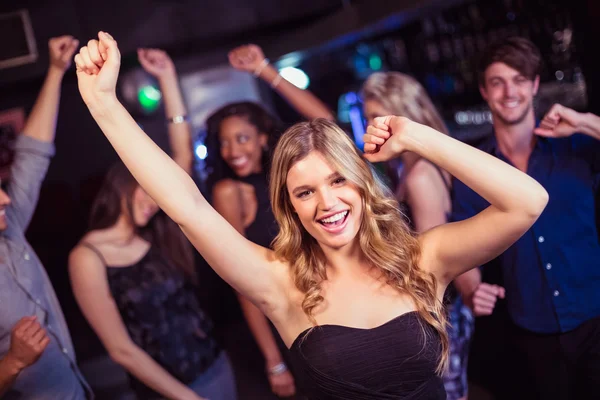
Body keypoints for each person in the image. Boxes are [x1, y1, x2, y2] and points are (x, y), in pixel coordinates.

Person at [73, 31, 548, 399]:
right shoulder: (280, 283)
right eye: (305, 192)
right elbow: (187, 205)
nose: (326, 204)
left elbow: (527, 202)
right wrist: (104, 105)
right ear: (290, 207)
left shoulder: (423, 259)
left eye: (338, 181)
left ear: (362, 185)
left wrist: (418, 136)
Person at [452, 36, 600, 399]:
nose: (509, 91)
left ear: (535, 85)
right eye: (498, 82)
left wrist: (582, 121)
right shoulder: (477, 171)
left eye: (519, 79)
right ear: (485, 91)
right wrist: (471, 289)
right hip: (531, 331)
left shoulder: (576, 148)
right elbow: (461, 242)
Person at [205, 43, 333, 398]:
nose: (232, 151)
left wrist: (264, 69)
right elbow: (243, 281)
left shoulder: (289, 178)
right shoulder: (230, 193)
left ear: (263, 139)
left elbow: (326, 125)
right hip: (290, 323)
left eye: (242, 138)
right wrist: (274, 360)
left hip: (332, 301)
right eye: (225, 143)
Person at [69, 162, 237, 400]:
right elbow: (120, 349)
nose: (153, 203)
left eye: (157, 195)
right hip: (169, 389)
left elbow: (182, 166)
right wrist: (187, 397)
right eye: (146, 190)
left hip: (216, 363)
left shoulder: (155, 235)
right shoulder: (87, 257)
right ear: (123, 183)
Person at [360, 71, 474, 400]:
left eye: (378, 116)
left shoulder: (421, 174)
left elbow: (434, 261)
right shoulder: (408, 167)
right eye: (368, 117)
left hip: (442, 312)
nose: (372, 125)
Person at [0, 35, 93, 399]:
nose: (5, 198)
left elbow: (32, 157)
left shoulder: (11, 226)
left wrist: (56, 71)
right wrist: (13, 362)